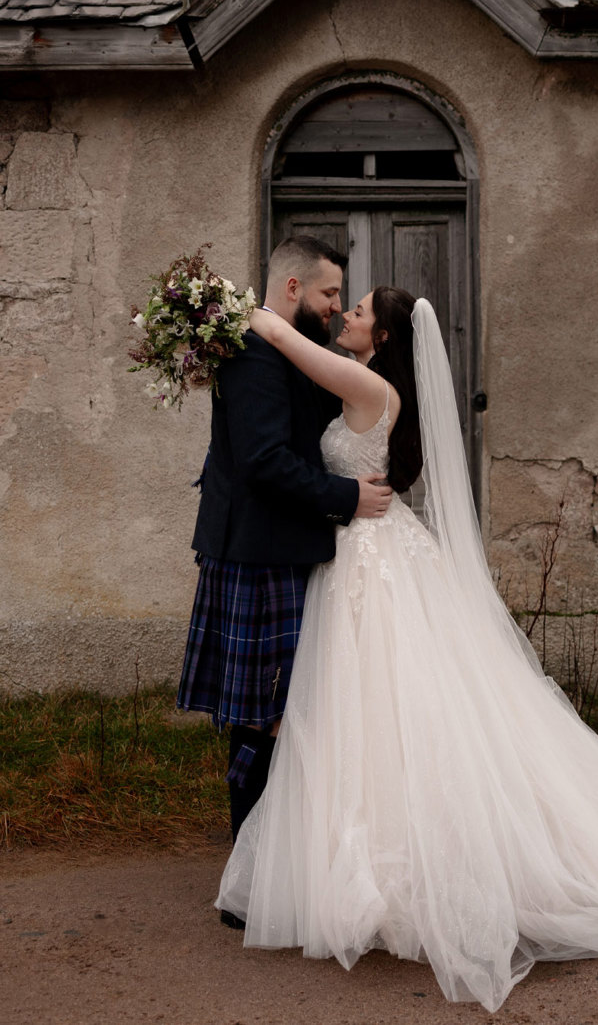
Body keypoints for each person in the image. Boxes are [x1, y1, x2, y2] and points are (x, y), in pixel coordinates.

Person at [215, 287, 598, 1011]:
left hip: (369, 561)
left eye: (356, 311)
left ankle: (395, 868)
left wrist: (221, 305)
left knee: (375, 702)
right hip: (368, 551)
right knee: (376, 706)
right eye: (340, 306)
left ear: (382, 333)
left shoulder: (369, 383)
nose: (344, 316)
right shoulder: (377, 386)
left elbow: (285, 344)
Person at [177, 237, 392, 919]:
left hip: (282, 549)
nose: (336, 309)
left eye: (345, 302)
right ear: (294, 288)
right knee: (261, 718)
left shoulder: (285, 348)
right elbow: (267, 461)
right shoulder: (252, 354)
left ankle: (271, 870)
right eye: (331, 295)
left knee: (279, 717)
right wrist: (345, 497)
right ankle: (254, 880)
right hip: (257, 553)